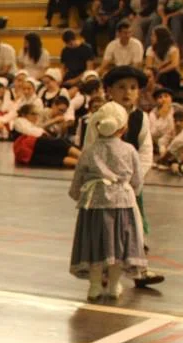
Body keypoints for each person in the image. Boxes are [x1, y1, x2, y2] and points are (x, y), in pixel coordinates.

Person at [91, 65, 165, 287]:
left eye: (133, 88)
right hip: (105, 186)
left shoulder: (141, 119)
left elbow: (146, 151)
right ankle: (105, 271)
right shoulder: (99, 117)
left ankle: (139, 271)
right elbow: (91, 150)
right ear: (109, 90)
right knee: (106, 229)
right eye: (121, 87)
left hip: (130, 186)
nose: (127, 92)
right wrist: (104, 179)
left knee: (136, 228)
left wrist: (134, 180)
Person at [68, 102, 148, 301]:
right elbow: (137, 179)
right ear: (124, 128)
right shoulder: (129, 150)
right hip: (122, 204)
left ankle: (94, 286)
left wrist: (76, 194)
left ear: (97, 125)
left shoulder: (89, 151)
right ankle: (114, 285)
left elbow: (78, 177)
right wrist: (132, 191)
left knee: (95, 244)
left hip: (94, 204)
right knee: (118, 245)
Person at [12, 103, 83, 166]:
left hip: (27, 154)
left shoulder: (32, 124)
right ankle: (83, 158)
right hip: (29, 145)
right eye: (33, 114)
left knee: (55, 158)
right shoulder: (20, 120)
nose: (36, 116)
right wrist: (45, 133)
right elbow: (31, 131)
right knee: (60, 144)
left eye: (37, 114)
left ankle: (82, 164)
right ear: (24, 115)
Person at [145, 26, 183, 90]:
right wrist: (162, 66)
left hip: (169, 74)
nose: (151, 38)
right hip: (156, 74)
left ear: (160, 37)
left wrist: (161, 71)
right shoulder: (150, 49)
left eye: (153, 36)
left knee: (171, 74)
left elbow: (174, 65)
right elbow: (149, 66)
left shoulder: (173, 49)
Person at [157, 107, 183, 173]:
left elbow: (175, 144)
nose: (177, 123)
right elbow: (162, 141)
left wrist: (164, 158)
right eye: (175, 120)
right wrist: (162, 151)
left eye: (181, 120)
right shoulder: (174, 129)